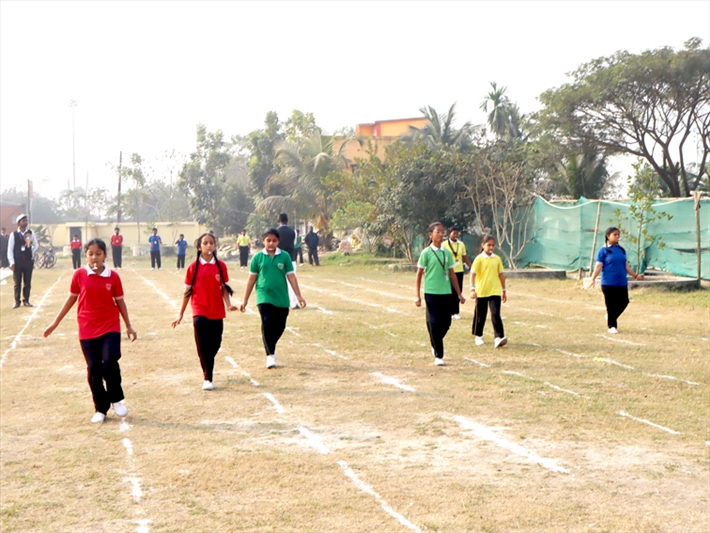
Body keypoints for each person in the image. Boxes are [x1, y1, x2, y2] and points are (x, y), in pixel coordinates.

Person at [43, 238, 137, 423]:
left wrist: (128, 325)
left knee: (110, 360)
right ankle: (100, 408)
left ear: (105, 255)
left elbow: (120, 301)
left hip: (110, 325)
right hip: (87, 327)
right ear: (85, 255)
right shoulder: (79, 275)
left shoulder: (113, 277)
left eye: (98, 254)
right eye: (91, 254)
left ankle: (116, 399)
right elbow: (71, 299)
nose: (95, 257)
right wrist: (55, 323)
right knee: (94, 368)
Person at [172, 233, 237, 390]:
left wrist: (228, 305)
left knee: (215, 343)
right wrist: (181, 314)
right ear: (199, 247)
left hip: (217, 310)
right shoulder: (193, 267)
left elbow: (224, 288)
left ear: (215, 246)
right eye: (205, 243)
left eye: (211, 243)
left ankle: (208, 363)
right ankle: (208, 377)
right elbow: (187, 292)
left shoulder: (221, 266)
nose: (209, 245)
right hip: (199, 310)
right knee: (202, 344)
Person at [240, 228, 306, 369]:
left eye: (274, 241)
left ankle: (271, 345)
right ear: (263, 240)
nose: (271, 243)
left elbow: (291, 276)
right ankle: (270, 355)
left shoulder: (284, 256)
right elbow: (251, 279)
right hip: (263, 295)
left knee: (280, 325)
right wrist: (245, 300)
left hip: (281, 296)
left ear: (278, 241)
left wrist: (298, 296)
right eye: (268, 240)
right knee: (267, 321)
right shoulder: (257, 258)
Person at [415, 222, 465, 366]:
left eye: (443, 232)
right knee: (434, 321)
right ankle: (439, 355)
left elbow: (452, 274)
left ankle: (435, 341)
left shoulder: (447, 253)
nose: (441, 234)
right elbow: (419, 274)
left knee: (446, 322)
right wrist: (417, 295)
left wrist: (459, 294)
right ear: (431, 235)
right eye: (438, 232)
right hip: (431, 292)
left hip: (446, 292)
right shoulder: (426, 253)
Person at [589, 227, 644, 334]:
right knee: (611, 304)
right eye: (615, 235)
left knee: (624, 301)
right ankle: (612, 326)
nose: (617, 237)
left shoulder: (621, 250)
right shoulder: (603, 250)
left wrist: (635, 275)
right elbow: (598, 266)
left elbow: (625, 265)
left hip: (621, 282)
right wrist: (593, 278)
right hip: (608, 282)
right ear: (608, 236)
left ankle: (611, 316)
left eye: (618, 235)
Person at [470, 234, 508, 348]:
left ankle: (498, 337)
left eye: (493, 245)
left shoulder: (497, 259)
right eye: (489, 245)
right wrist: (472, 289)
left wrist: (504, 290)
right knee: (480, 315)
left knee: (496, 313)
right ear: (483, 245)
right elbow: (473, 274)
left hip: (494, 291)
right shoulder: (479, 259)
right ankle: (478, 335)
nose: (491, 247)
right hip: (481, 291)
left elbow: (501, 275)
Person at [8, 214, 38, 308]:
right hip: (18, 262)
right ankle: (17, 301)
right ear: (19, 223)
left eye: (26, 220)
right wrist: (12, 262)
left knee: (27, 282)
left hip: (28, 261)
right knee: (17, 283)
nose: (25, 222)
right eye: (23, 221)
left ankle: (26, 300)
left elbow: (35, 245)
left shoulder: (30, 233)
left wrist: (30, 253)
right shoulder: (14, 235)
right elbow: (10, 249)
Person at [442, 227, 472, 320]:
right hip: (449, 270)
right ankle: (448, 311)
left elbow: (464, 257)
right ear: (449, 234)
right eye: (454, 233)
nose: (456, 235)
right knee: (450, 291)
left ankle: (455, 312)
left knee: (458, 291)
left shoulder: (461, 244)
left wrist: (472, 267)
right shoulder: (444, 244)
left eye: (457, 233)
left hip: (459, 270)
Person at [276, 213, 300, 309]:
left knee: (278, 281)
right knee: (292, 281)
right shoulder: (293, 232)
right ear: (287, 220)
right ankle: (293, 303)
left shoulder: (276, 232)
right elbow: (294, 243)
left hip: (279, 259)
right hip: (291, 258)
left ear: (279, 221)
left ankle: (278, 302)